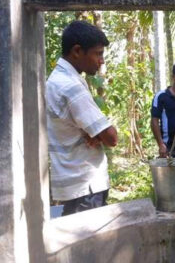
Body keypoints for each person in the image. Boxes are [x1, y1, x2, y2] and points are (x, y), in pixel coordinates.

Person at [46, 21, 118, 216]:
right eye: (98, 53)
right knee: (91, 245)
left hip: (76, 183)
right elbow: (111, 137)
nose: (101, 60)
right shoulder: (70, 87)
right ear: (77, 51)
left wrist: (95, 132)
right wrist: (99, 132)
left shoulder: (57, 80)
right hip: (85, 186)